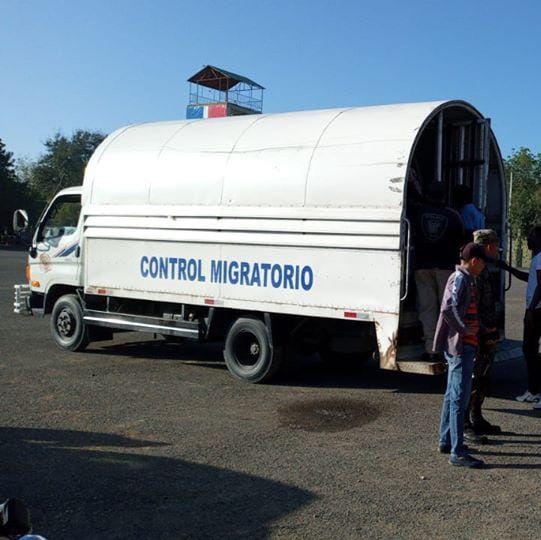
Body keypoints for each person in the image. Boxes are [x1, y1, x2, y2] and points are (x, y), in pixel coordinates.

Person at [435, 242, 487, 468]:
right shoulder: (461, 279)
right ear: (475, 261)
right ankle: (457, 451)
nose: (484, 266)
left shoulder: (465, 279)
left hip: (463, 345)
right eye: (483, 262)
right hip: (460, 347)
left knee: (452, 395)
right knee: (459, 398)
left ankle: (446, 440)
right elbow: (448, 308)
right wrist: (465, 330)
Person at [411, 182, 465, 360]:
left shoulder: (418, 213)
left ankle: (431, 349)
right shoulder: (453, 215)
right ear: (444, 196)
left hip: (422, 266)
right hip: (445, 267)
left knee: (427, 308)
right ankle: (448, 347)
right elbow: (462, 239)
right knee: (447, 308)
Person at [463, 229, 502, 440]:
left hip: (486, 332)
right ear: (488, 246)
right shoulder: (476, 273)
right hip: (477, 335)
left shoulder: (485, 269)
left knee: (483, 378)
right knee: (472, 379)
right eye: (496, 245)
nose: (498, 249)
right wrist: (483, 330)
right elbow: (473, 307)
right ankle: (464, 423)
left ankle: (476, 416)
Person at [500, 226, 541, 405]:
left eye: (532, 236)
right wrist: (509, 269)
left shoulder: (540, 258)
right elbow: (531, 278)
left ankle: (535, 391)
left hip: (537, 311)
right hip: (536, 310)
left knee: (530, 351)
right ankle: (533, 390)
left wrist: (531, 309)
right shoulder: (537, 259)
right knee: (530, 351)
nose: (528, 239)